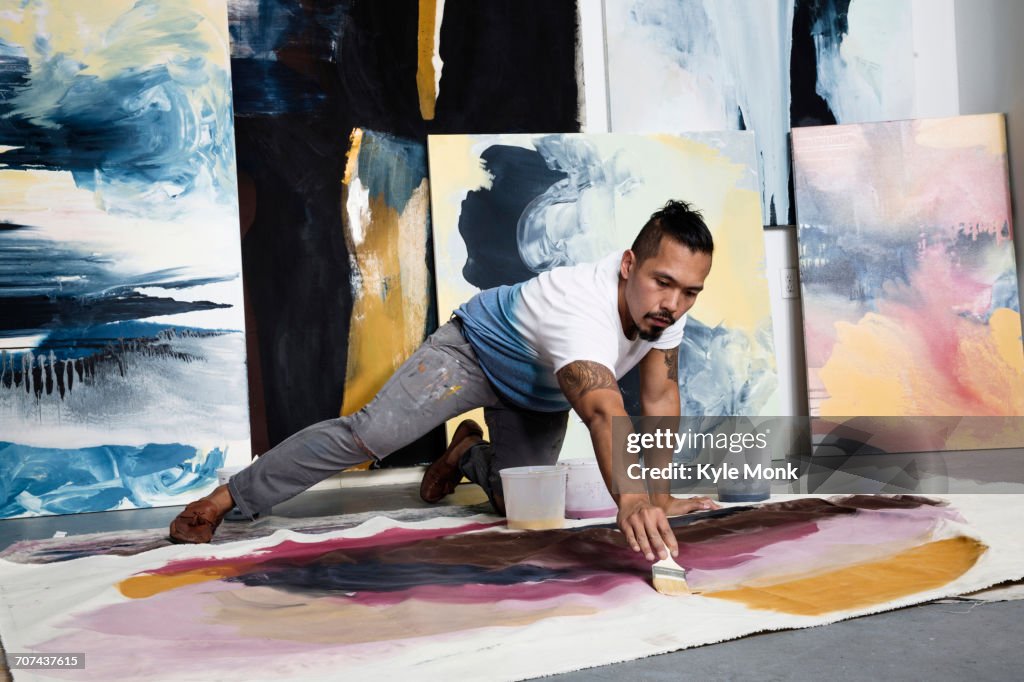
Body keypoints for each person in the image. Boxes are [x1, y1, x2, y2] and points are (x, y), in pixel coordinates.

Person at [170, 199, 719, 562]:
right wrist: (630, 499)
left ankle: (462, 452)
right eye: (662, 282)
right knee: (369, 435)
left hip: (539, 393)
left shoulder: (667, 312)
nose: (673, 304)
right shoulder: (583, 309)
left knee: (519, 508)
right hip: (473, 354)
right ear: (628, 264)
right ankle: (226, 499)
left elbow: (659, 396)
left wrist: (661, 497)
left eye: (690, 291)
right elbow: (605, 411)